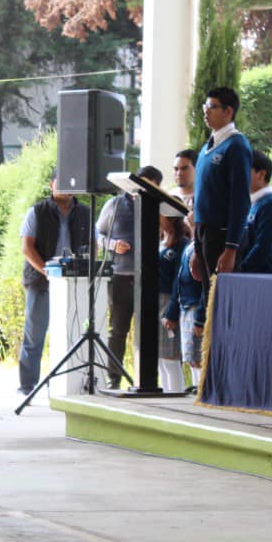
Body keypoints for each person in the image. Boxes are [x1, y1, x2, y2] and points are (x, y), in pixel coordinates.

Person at [17, 172, 93, 395]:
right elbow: (27, 247)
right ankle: (27, 386)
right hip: (41, 282)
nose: (67, 187)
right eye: (61, 182)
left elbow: (93, 243)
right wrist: (48, 272)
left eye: (72, 182)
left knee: (68, 335)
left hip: (73, 283)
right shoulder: (37, 211)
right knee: (35, 335)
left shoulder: (85, 213)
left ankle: (60, 383)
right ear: (51, 185)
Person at [96, 164, 162, 389]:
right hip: (121, 276)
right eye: (140, 184)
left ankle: (146, 380)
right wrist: (113, 245)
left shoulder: (160, 207)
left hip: (149, 278)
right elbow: (98, 234)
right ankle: (113, 378)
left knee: (148, 331)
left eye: (149, 187)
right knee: (118, 330)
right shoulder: (114, 204)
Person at [192, 87, 254, 282]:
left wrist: (231, 248)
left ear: (228, 111)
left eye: (212, 107)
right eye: (205, 106)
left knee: (220, 299)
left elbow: (240, 199)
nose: (206, 111)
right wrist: (196, 247)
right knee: (207, 298)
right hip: (203, 233)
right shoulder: (206, 147)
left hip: (221, 235)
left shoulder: (236, 145)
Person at [163, 216, 208, 386]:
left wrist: (201, 317)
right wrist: (172, 313)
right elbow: (178, 281)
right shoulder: (189, 245)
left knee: (198, 357)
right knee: (190, 358)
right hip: (185, 306)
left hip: (196, 306)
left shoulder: (203, 246)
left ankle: (200, 392)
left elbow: (206, 283)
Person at [237, 152, 272, 275]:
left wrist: (239, 270)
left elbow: (263, 248)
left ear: (261, 174)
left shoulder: (271, 205)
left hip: (262, 280)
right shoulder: (251, 203)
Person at [156, 213, 188, 393]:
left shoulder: (182, 244)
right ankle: (166, 393)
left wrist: (172, 311)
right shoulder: (160, 239)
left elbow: (178, 279)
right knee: (160, 357)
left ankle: (175, 394)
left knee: (170, 356)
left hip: (169, 300)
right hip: (156, 298)